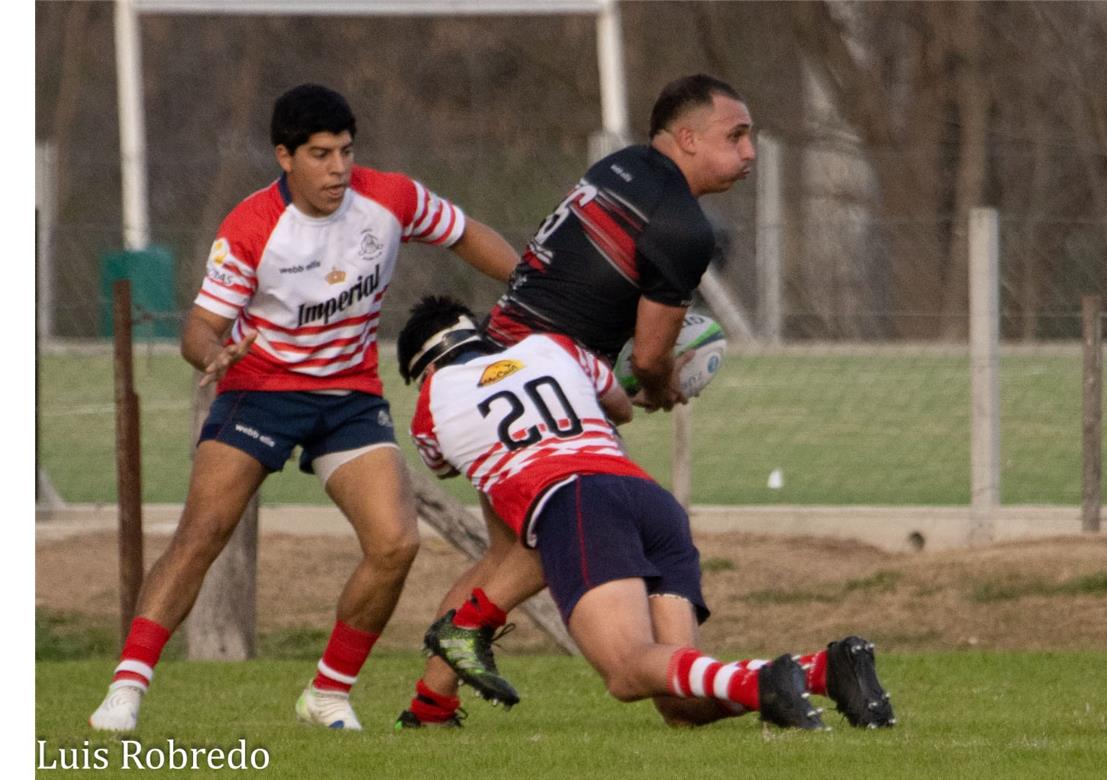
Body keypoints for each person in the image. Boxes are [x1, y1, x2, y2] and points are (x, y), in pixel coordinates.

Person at [88, 83, 519, 732]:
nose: (338, 169)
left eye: (346, 152)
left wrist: (528, 291)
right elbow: (199, 328)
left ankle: (328, 693)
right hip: (259, 393)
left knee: (396, 543)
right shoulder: (251, 227)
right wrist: (211, 354)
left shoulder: (390, 198)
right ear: (283, 156)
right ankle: (126, 689)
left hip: (349, 399)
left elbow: (464, 234)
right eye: (320, 155)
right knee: (202, 534)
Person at [394, 296, 841, 731]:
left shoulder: (431, 403)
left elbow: (446, 463)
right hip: (648, 500)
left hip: (577, 502)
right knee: (679, 703)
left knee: (627, 670)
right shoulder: (553, 346)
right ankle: (825, 670)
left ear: (426, 368)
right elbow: (621, 408)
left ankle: (769, 681)